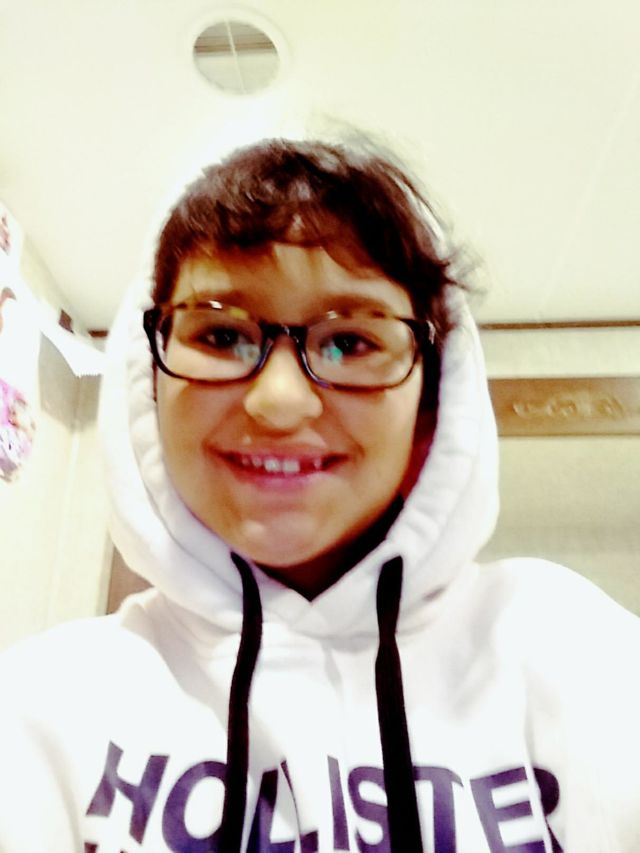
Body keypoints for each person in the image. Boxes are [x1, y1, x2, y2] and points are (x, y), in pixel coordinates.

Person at [0, 138, 638, 852]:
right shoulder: (41, 707)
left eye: (351, 343)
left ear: (433, 403)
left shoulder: (576, 655)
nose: (280, 400)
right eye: (221, 334)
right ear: (145, 383)